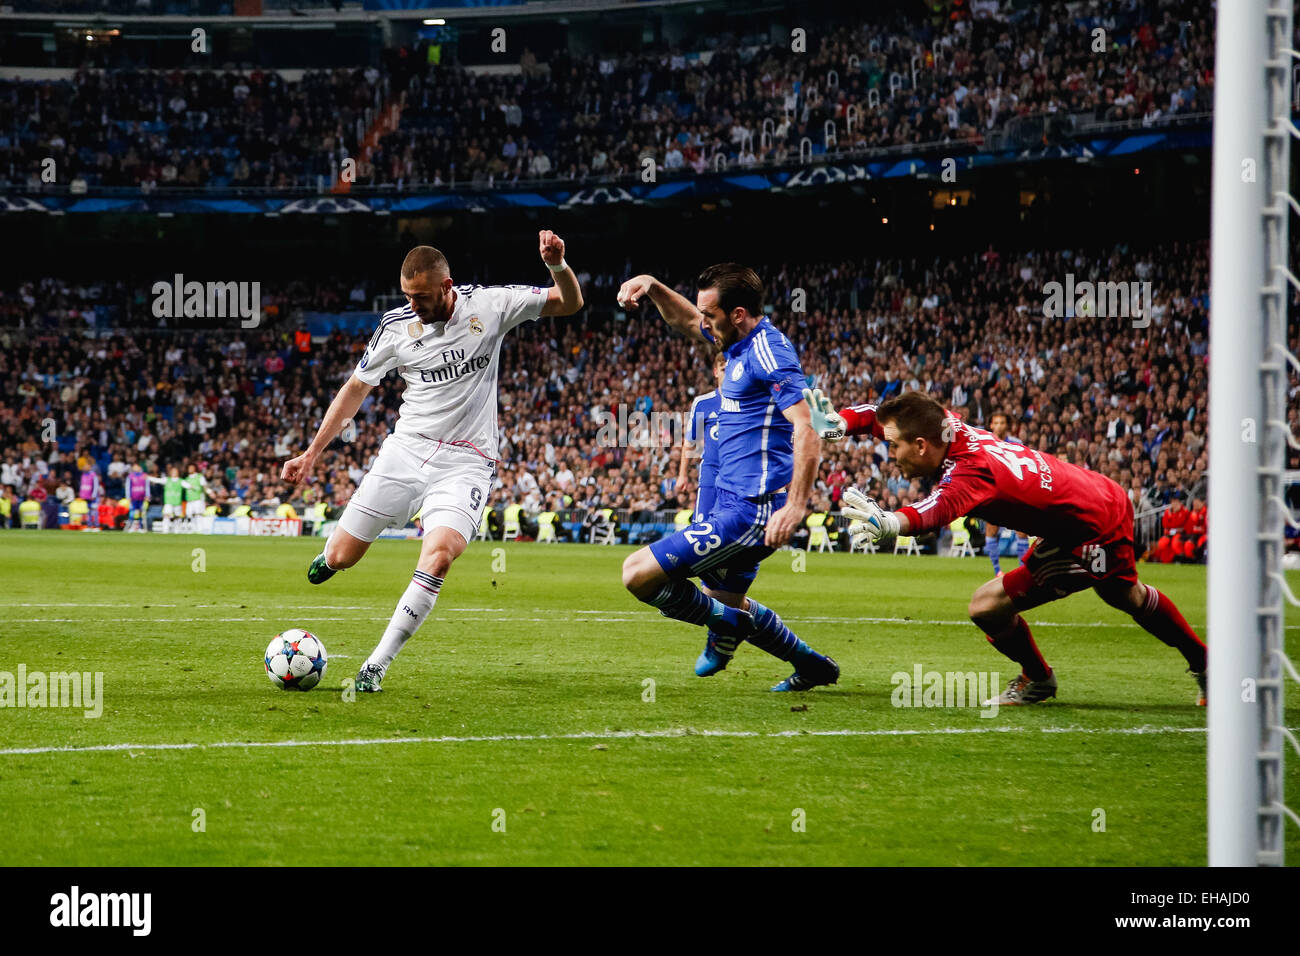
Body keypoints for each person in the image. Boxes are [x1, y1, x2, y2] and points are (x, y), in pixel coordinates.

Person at [281, 232, 584, 692]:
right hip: (405, 452)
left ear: (447, 287)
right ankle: (330, 555)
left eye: (420, 297)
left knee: (439, 556)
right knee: (343, 557)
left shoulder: (491, 305)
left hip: (468, 461)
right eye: (407, 296)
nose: (413, 305)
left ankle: (375, 665)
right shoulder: (395, 327)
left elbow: (568, 303)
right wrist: (311, 453)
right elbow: (355, 390)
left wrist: (557, 265)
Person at [807, 389, 1205, 706]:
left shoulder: (970, 472)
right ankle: (1042, 677)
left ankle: (1201, 664)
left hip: (1092, 529)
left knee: (1123, 596)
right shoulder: (949, 430)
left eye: (894, 448)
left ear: (922, 445)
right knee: (1099, 596)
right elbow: (883, 417)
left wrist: (890, 522)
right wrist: (841, 423)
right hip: (1094, 496)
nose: (890, 454)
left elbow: (934, 511)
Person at [616, 263, 838, 691]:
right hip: (733, 503)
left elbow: (807, 426)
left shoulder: (767, 352)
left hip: (752, 511)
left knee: (638, 575)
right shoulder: (735, 344)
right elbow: (683, 319)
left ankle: (732, 627)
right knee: (717, 602)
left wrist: (796, 505)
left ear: (738, 313)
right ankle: (810, 665)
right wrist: (655, 285)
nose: (703, 323)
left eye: (711, 314)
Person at [677, 349, 727, 523]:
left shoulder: (748, 403)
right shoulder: (703, 403)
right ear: (715, 372)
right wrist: (682, 474)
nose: (727, 375)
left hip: (737, 475)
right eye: (723, 370)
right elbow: (690, 441)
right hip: (710, 473)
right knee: (702, 525)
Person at [981, 412, 1029, 574]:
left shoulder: (1017, 443)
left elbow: (1024, 465)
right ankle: (997, 571)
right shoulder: (984, 442)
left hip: (1014, 491)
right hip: (994, 491)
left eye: (1002, 423)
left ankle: (1023, 570)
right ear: (991, 425)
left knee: (1022, 530)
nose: (999, 426)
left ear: (1007, 426)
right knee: (991, 529)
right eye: (996, 423)